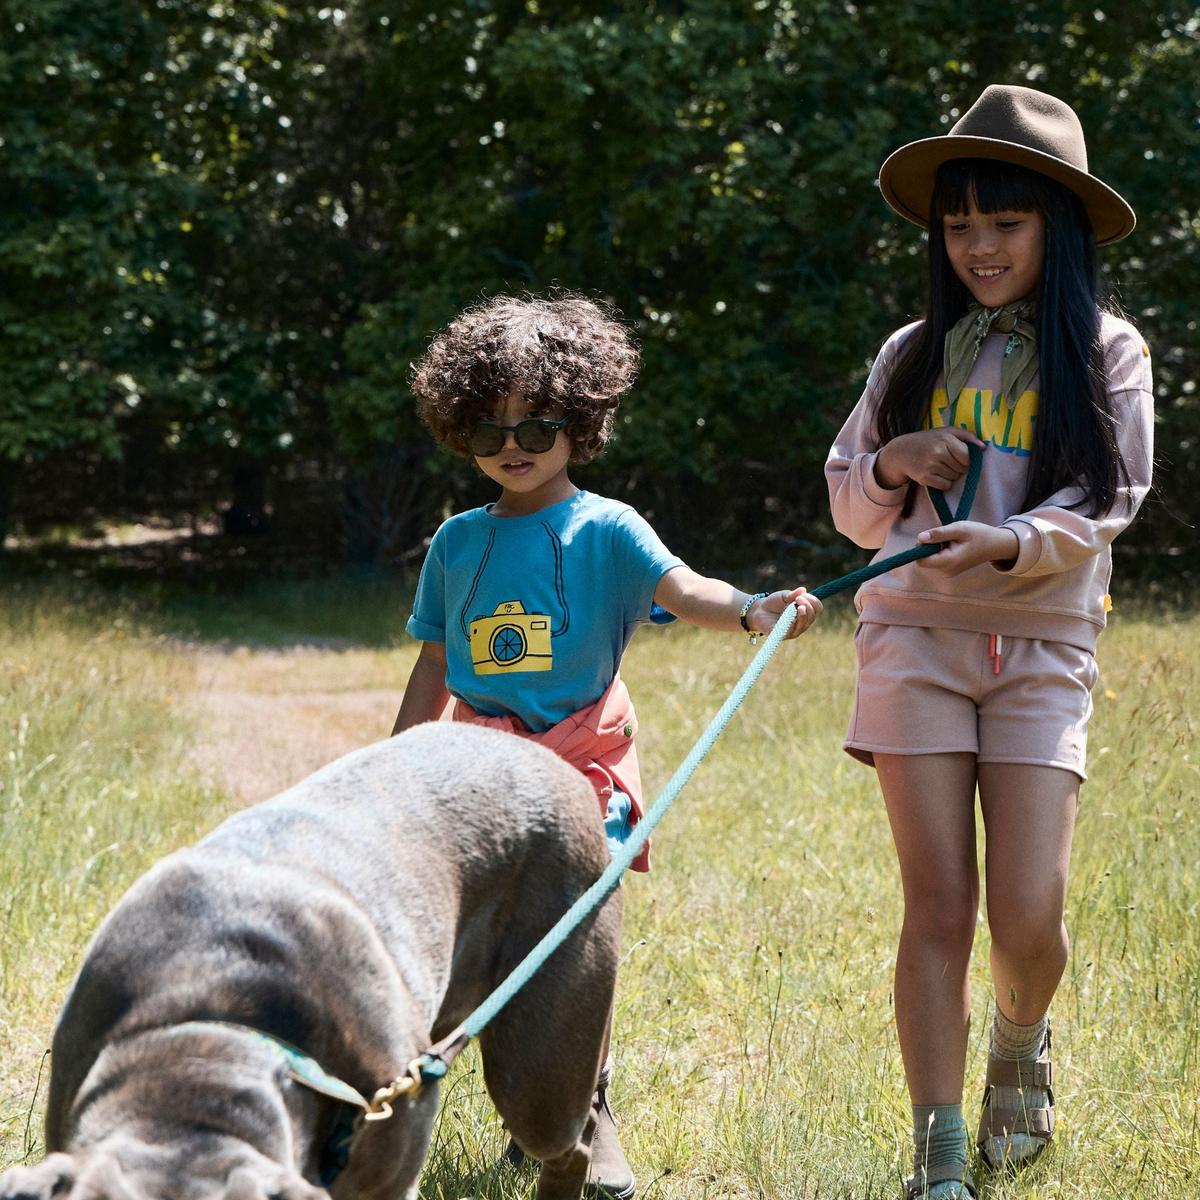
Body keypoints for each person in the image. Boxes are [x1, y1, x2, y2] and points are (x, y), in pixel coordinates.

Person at [392, 292, 822, 1199]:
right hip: (479, 772)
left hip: (583, 765)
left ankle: (589, 1114)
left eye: (537, 424)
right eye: (490, 429)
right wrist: (394, 770)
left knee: (578, 941)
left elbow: (686, 588)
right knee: (489, 947)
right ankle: (530, 1116)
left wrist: (754, 608)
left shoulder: (609, 529)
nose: (513, 445)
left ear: (579, 422)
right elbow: (434, 661)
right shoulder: (456, 543)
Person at [825, 85, 1153, 1199]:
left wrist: (1011, 541)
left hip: (1043, 652)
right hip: (912, 638)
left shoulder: (1108, 351)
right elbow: (850, 505)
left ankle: (1020, 1040)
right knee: (938, 908)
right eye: (959, 223)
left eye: (1004, 222)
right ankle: (941, 1151)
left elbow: (1111, 498)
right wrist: (892, 462)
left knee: (1029, 917)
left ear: (1057, 227)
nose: (978, 246)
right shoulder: (910, 351)